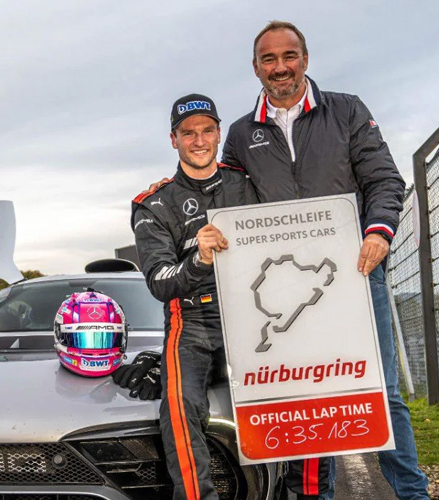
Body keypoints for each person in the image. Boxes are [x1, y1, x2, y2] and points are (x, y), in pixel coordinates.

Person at [220, 20, 430, 500]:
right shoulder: (239, 134)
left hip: (356, 274)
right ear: (256, 68)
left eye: (288, 56)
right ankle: (317, 494)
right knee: (302, 394)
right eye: (269, 59)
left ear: (306, 59)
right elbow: (228, 203)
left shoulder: (347, 110)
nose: (280, 67)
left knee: (381, 392)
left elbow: (384, 180)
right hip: (284, 286)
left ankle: (411, 493)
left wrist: (378, 231)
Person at [130, 94, 327, 500]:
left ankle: (304, 494)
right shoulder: (154, 203)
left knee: (305, 390)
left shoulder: (248, 183)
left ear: (219, 134)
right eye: (188, 133)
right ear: (173, 140)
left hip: (258, 312)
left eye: (207, 130)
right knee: (179, 405)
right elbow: (160, 283)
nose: (199, 141)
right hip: (192, 320)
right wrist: (198, 259)